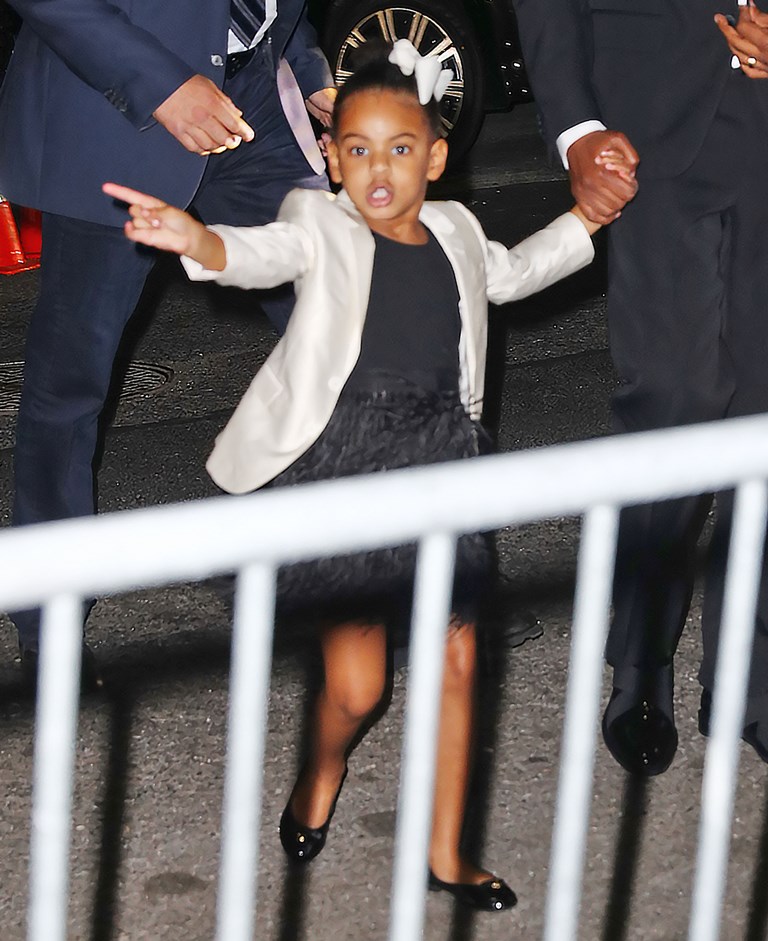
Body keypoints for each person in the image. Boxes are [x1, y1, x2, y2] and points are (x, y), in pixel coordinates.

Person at [103, 40, 618, 909]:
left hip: (441, 461)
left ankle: (446, 852)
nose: (381, 168)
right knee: (357, 686)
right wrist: (199, 240)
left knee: (459, 659)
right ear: (334, 160)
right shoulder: (318, 223)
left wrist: (587, 220)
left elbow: (515, 273)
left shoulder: (457, 231)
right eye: (360, 149)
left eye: (401, 147)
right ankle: (321, 770)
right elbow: (264, 253)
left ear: (436, 158)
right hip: (346, 466)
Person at [0, 0, 336, 687]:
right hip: (121, 108)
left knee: (352, 335)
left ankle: (406, 586)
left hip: (255, 102)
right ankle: (47, 618)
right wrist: (161, 85)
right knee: (70, 384)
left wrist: (308, 71)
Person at [511, 0, 768, 774]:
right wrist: (576, 126)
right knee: (675, 399)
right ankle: (641, 656)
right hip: (646, 123)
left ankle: (750, 671)